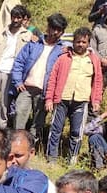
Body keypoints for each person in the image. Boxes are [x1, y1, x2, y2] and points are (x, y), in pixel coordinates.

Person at [45, 27, 103, 164]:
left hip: (81, 101)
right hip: (62, 99)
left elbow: (98, 80)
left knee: (77, 132)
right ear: (73, 42)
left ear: (88, 43)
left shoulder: (94, 59)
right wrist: (49, 99)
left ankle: (72, 159)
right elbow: (53, 78)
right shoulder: (64, 58)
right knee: (56, 129)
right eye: (78, 42)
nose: (80, 45)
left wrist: (96, 100)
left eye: (84, 42)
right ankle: (51, 158)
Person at [11, 13, 68, 146]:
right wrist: (18, 81)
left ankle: (30, 147)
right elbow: (19, 62)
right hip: (26, 87)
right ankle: (16, 145)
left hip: (44, 91)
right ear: (48, 27)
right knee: (19, 115)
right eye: (52, 28)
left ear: (62, 32)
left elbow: (85, 48)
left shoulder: (62, 49)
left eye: (58, 30)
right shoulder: (34, 44)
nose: (54, 32)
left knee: (38, 122)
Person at [0, 4, 32, 128]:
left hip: (12, 73)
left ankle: (1, 131)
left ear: (23, 18)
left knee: (4, 105)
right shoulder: (1, 33)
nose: (15, 20)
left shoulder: (27, 35)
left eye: (18, 17)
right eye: (14, 17)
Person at [8, 129, 59, 193]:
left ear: (31, 153)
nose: (13, 160)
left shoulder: (44, 185)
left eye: (18, 156)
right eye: (8, 156)